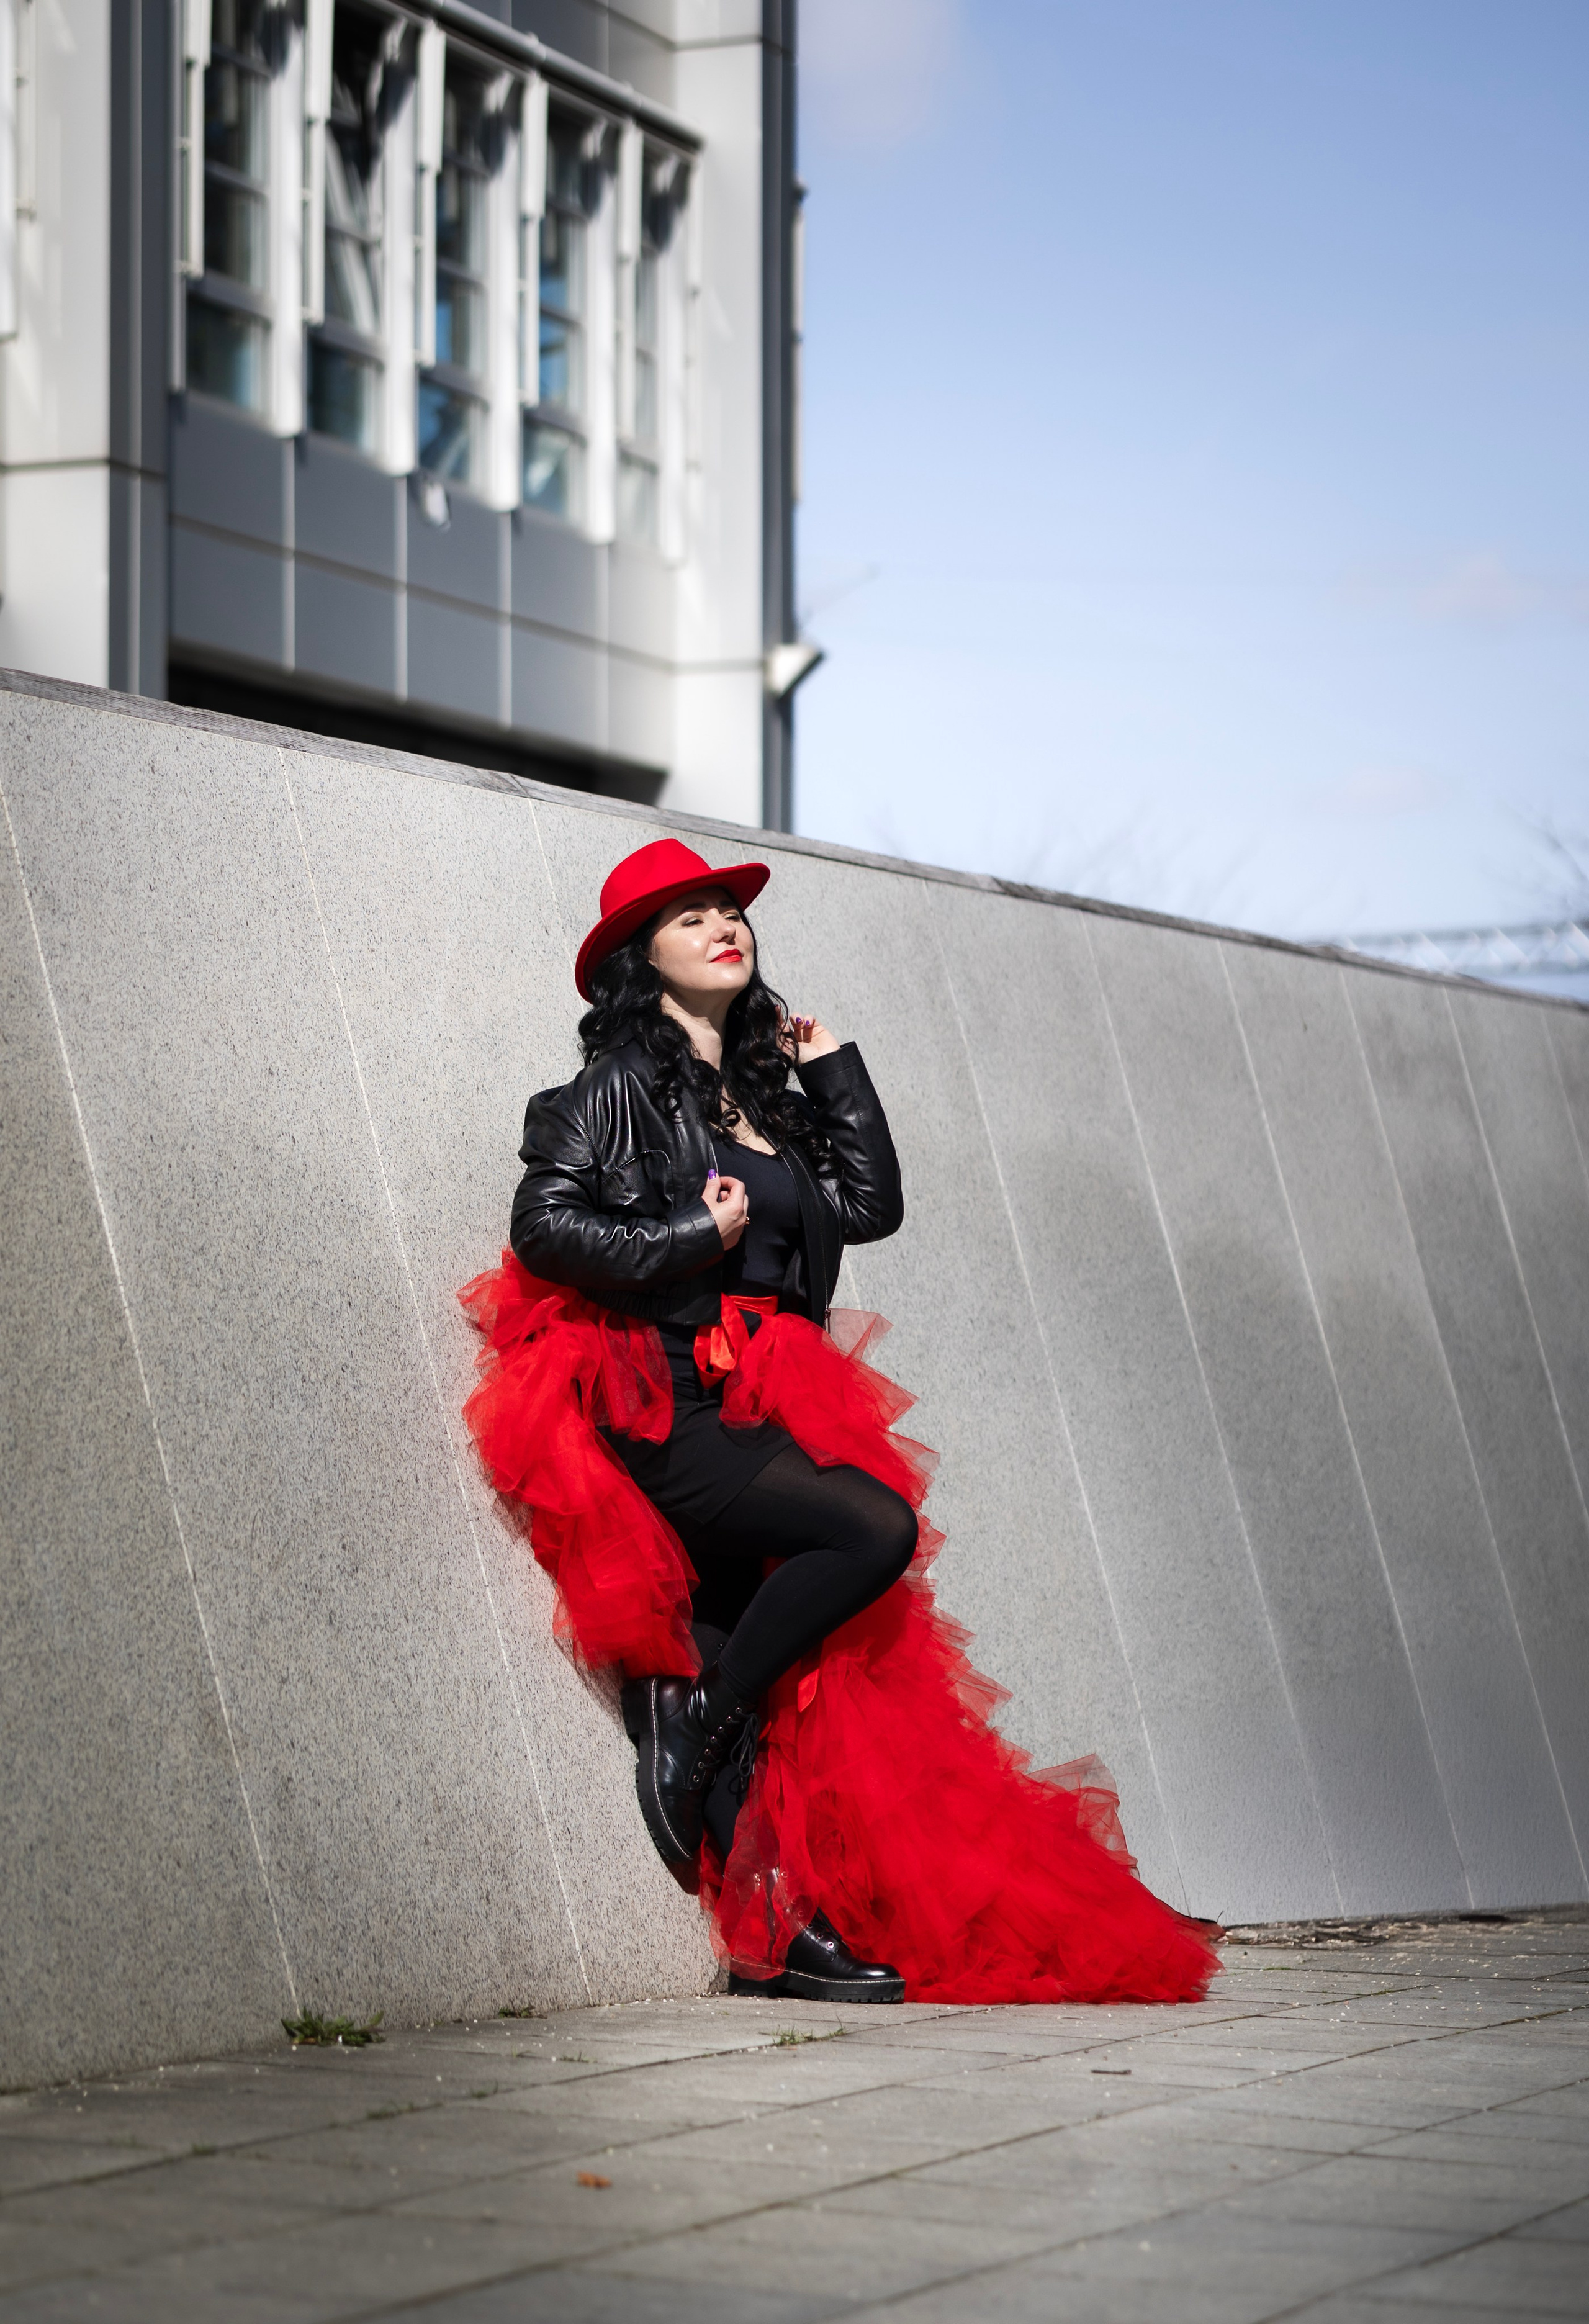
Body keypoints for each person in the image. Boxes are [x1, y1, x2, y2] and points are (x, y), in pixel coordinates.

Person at [461, 837, 1220, 2006]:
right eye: (690, 919)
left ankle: (775, 1929)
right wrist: (689, 1244)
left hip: (772, 1392)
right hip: (668, 1398)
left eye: (731, 909)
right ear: (637, 964)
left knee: (767, 1666)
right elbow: (543, 1230)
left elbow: (870, 1208)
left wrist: (837, 1075)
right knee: (871, 1530)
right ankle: (701, 1724)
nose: (725, 925)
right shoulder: (609, 1090)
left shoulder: (762, 1095)